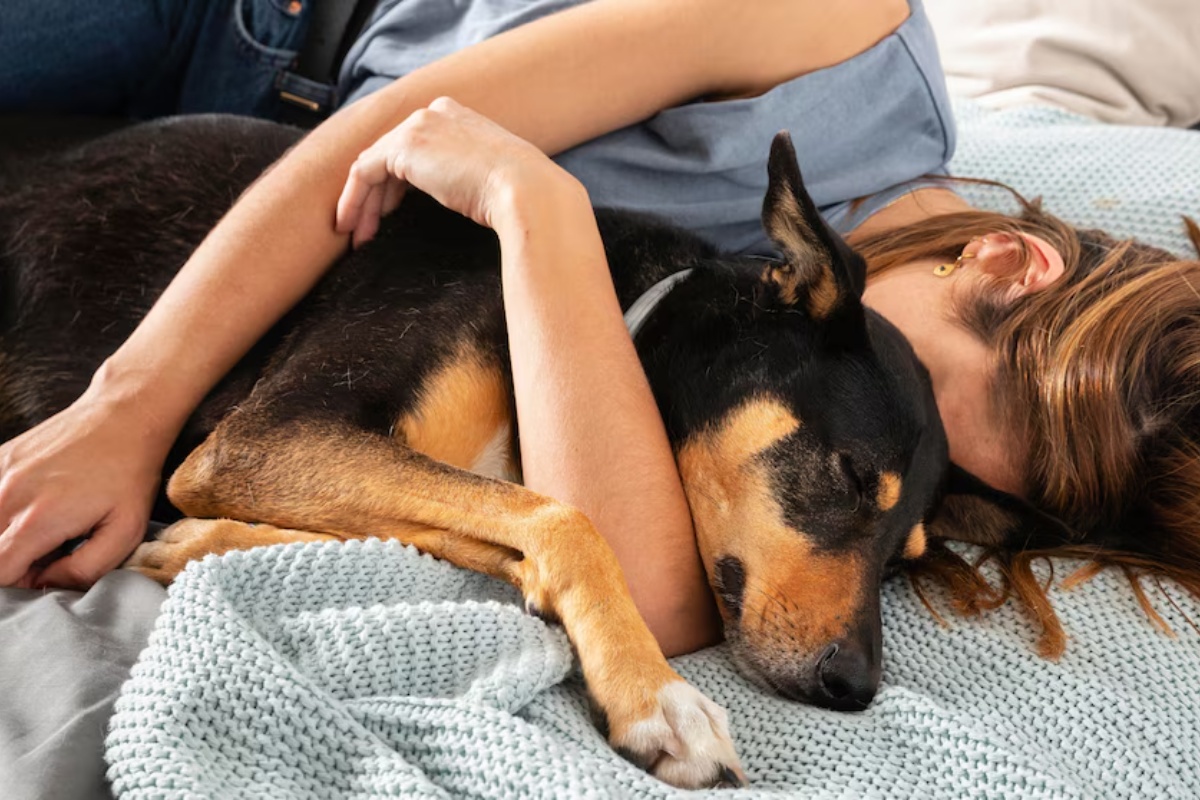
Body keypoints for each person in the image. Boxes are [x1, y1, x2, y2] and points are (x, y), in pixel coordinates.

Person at [0, 0, 1196, 659]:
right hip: (260, 39)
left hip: (215, 187)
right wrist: (125, 410)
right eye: (927, 397)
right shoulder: (829, 31)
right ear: (1004, 260)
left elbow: (657, 596)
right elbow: (390, 138)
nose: (904, 428)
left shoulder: (747, 379)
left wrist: (538, 210)